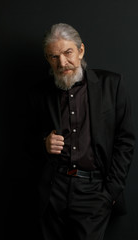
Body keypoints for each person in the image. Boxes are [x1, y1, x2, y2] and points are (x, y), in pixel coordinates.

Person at [26, 23, 135, 240]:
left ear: (81, 50)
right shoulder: (40, 93)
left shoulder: (111, 84)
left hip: (94, 191)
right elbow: (25, 139)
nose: (62, 63)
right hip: (53, 190)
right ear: (48, 59)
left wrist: (110, 191)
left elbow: (125, 141)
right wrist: (43, 143)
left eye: (68, 53)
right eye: (54, 56)